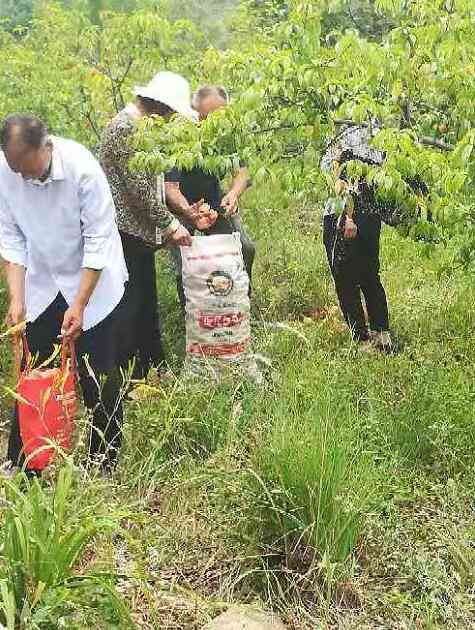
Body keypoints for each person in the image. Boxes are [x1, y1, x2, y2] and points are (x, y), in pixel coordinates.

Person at [0, 114, 128, 474]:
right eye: (17, 170)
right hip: (43, 280)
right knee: (35, 370)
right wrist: (16, 298)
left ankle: (104, 463)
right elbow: (10, 237)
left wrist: (80, 304)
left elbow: (98, 242)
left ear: (48, 146)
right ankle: (25, 462)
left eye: (30, 169)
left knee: (96, 372)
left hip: (93, 283)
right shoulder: (5, 171)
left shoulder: (83, 171)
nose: (24, 177)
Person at [99, 71, 198, 379]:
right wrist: (171, 226)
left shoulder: (140, 126)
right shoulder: (125, 127)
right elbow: (139, 189)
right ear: (160, 106)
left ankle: (152, 369)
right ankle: (133, 377)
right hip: (123, 231)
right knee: (131, 305)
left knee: (145, 304)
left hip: (137, 231)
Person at [165, 85, 256, 307]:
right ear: (194, 111)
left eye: (216, 117)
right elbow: (170, 188)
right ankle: (193, 314)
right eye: (204, 117)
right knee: (186, 263)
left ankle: (240, 301)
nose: (209, 124)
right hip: (181, 206)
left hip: (213, 201)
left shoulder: (224, 132)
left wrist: (233, 194)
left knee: (244, 247)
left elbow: (241, 171)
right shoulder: (180, 134)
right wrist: (189, 211)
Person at [321, 123, 395, 353]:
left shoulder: (365, 130)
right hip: (355, 213)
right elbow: (332, 171)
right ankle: (370, 335)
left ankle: (374, 336)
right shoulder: (342, 128)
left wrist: (347, 216)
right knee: (357, 276)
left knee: (357, 277)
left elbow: (338, 171)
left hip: (355, 213)